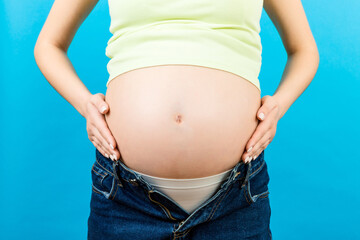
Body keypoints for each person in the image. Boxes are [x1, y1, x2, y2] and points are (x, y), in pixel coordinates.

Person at [34, 0, 319, 239]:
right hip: (126, 199)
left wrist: (277, 107)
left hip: (235, 198)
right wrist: (86, 105)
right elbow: (48, 44)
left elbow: (304, 50)